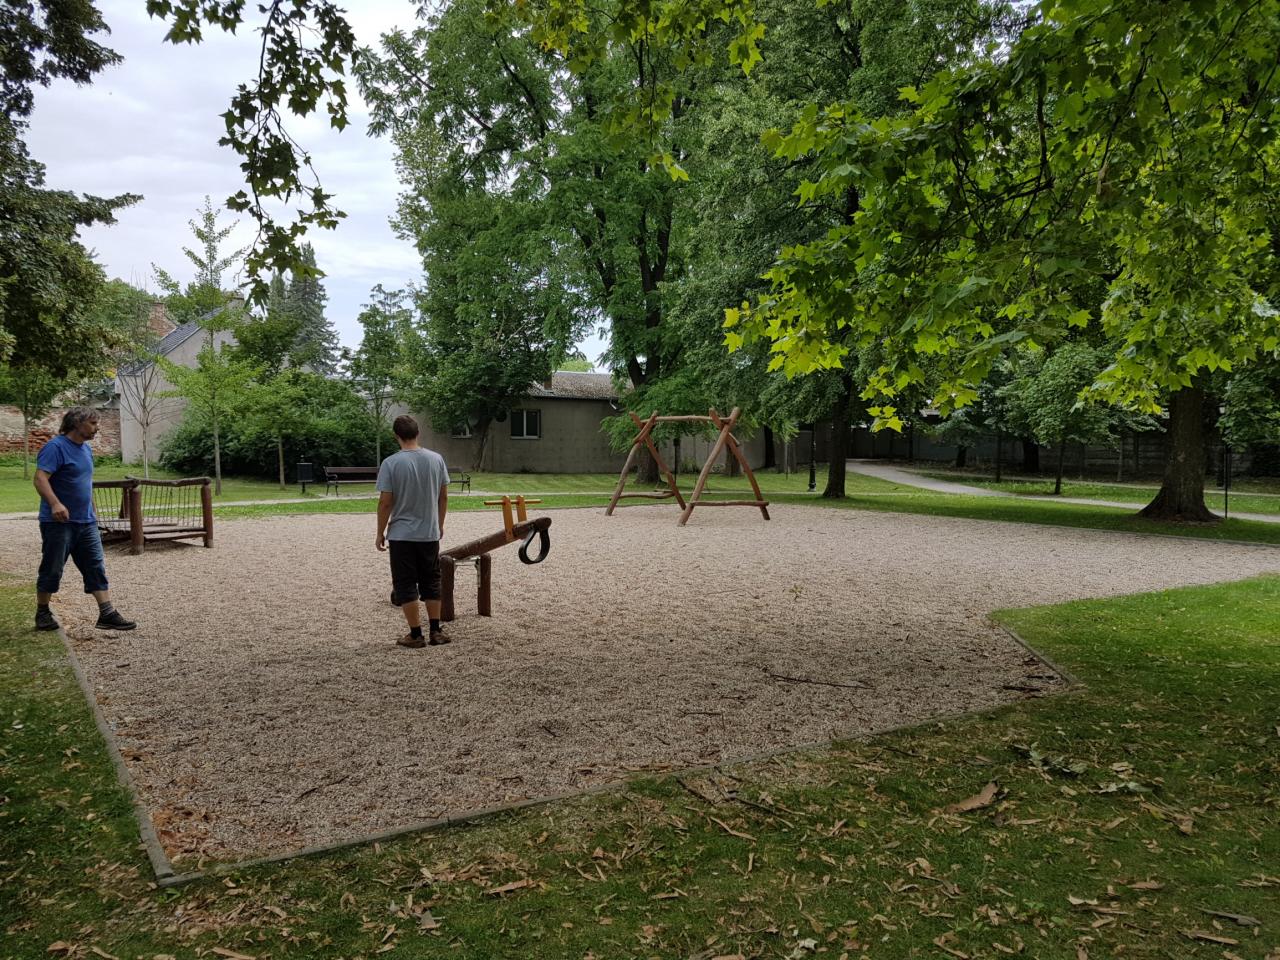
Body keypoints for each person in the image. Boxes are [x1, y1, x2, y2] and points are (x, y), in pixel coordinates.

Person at [33, 407, 137, 632]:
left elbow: (85, 484)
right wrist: (55, 504)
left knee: (95, 565)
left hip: (86, 522)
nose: (97, 428)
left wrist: (93, 514)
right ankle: (42, 613)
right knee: (52, 568)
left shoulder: (86, 450)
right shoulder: (55, 447)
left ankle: (107, 613)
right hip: (58, 523)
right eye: (93, 423)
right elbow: (40, 478)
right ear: (76, 423)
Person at [376, 414, 450, 648]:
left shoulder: (391, 463)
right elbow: (443, 497)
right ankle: (436, 631)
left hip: (402, 534)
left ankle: (416, 634)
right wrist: (439, 524)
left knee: (405, 582)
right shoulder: (436, 459)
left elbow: (386, 502)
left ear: (396, 436)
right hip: (429, 532)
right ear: (418, 433)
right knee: (432, 579)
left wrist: (380, 532)